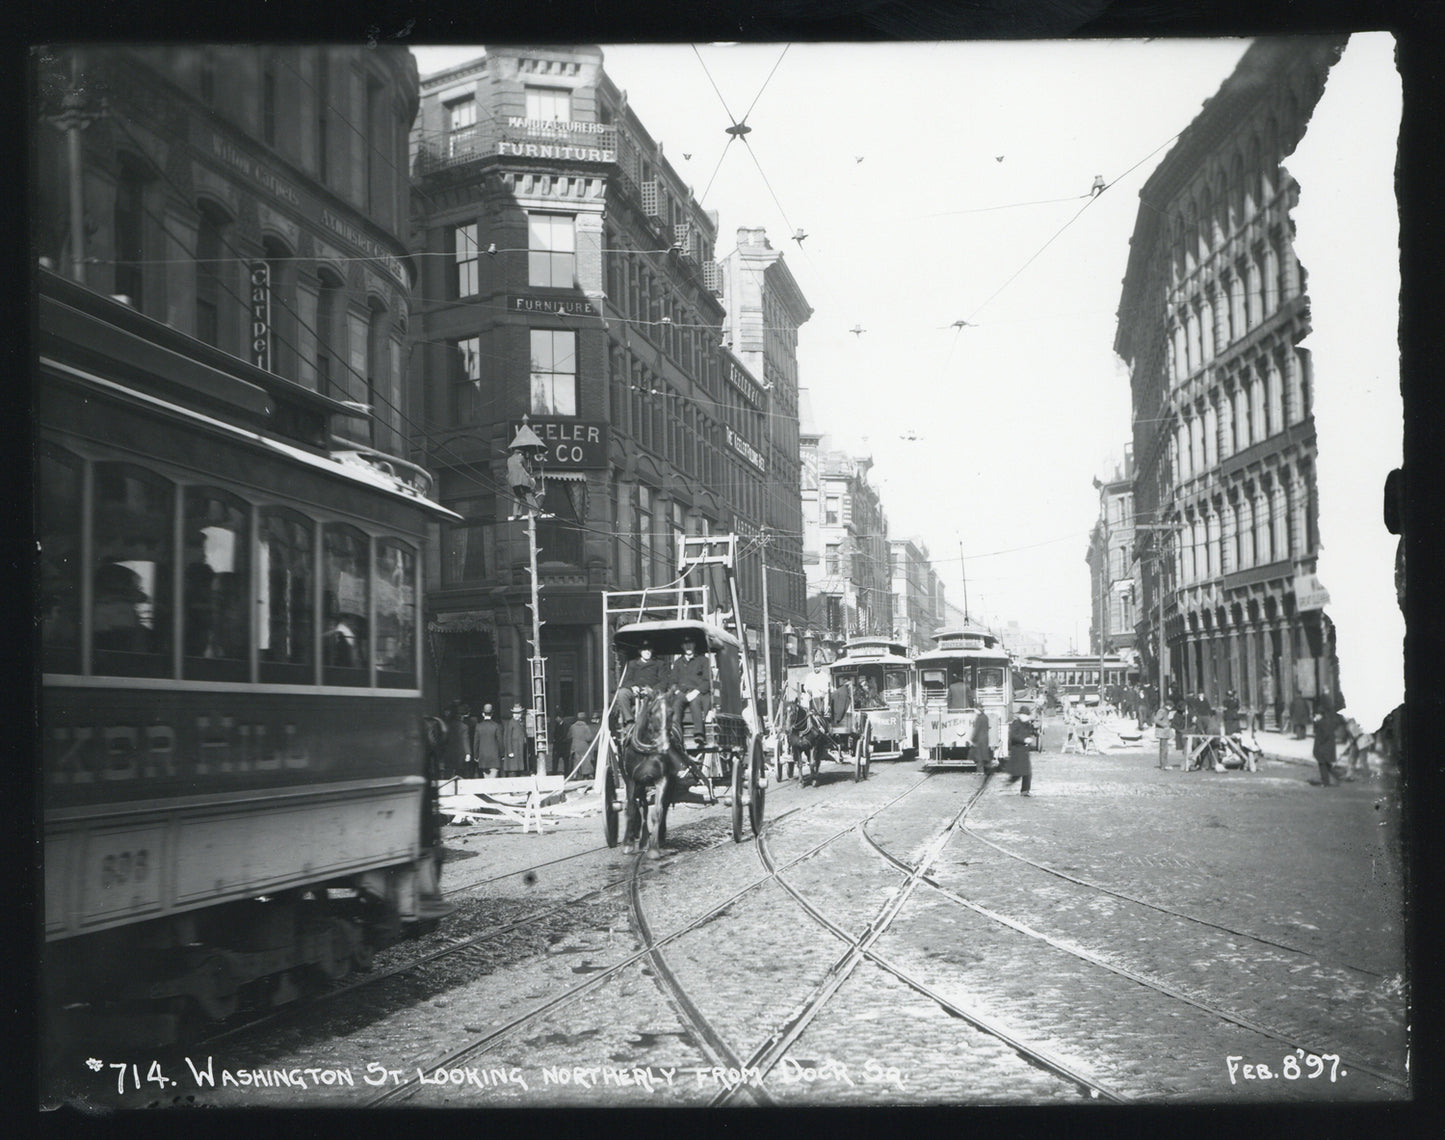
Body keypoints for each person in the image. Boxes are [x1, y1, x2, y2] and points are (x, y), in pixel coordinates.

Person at [617, 638, 670, 726]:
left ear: (652, 651)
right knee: (622, 693)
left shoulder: (659, 664)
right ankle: (629, 721)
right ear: (640, 651)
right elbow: (627, 680)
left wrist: (652, 690)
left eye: (649, 649)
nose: (647, 652)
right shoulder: (633, 664)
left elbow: (664, 681)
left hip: (652, 694)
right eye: (644, 650)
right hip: (636, 693)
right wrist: (633, 686)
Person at [669, 634, 712, 742]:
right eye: (685, 644)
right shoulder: (678, 663)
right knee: (676, 705)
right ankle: (676, 734)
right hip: (682, 693)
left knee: (695, 702)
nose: (688, 646)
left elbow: (707, 681)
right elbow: (673, 681)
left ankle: (699, 733)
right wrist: (678, 691)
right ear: (682, 646)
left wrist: (696, 692)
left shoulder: (703, 661)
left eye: (690, 643)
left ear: (694, 645)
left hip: (698, 693)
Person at [1004, 713, 1033, 796]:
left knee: (1027, 772)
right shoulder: (1016, 724)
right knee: (1019, 771)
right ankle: (1011, 781)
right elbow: (1013, 736)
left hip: (1024, 751)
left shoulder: (1027, 724)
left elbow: (1029, 733)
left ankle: (1025, 790)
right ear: (1021, 715)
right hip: (1017, 750)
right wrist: (1024, 740)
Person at [1312, 700, 1340, 787]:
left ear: (1320, 715)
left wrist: (1320, 744)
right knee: (1326, 764)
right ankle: (1336, 776)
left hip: (1323, 747)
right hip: (1327, 746)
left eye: (1317, 714)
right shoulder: (1326, 721)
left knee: (1322, 764)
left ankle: (1325, 782)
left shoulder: (1322, 723)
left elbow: (1323, 735)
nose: (1315, 716)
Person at [473, 703, 502, 777]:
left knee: (486, 781)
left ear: (483, 714)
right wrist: (502, 754)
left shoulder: (478, 726)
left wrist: (476, 756)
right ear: (492, 714)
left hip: (483, 758)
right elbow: (500, 742)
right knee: (493, 781)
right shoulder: (496, 726)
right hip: (494, 758)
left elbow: (476, 743)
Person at [500, 703, 529, 776]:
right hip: (514, 750)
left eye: (519, 713)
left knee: (519, 768)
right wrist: (510, 751)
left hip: (519, 750)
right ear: (512, 714)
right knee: (513, 769)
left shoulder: (520, 723)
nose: (517, 715)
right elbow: (507, 737)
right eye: (515, 713)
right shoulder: (510, 723)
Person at [567, 710, 597, 777]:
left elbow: (568, 736)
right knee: (585, 760)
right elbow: (589, 738)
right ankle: (585, 774)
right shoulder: (586, 727)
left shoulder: (572, 727)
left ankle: (575, 774)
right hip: (584, 746)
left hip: (575, 747)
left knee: (576, 761)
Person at [969, 708, 993, 772]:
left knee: (978, 755)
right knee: (984, 754)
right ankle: (986, 769)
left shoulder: (978, 718)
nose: (974, 711)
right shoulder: (985, 717)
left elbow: (976, 730)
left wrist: (972, 739)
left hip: (979, 739)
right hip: (985, 738)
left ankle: (980, 771)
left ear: (978, 710)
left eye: (975, 710)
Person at [1153, 701, 1173, 769]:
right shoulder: (1162, 711)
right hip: (1162, 733)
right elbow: (1156, 720)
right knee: (1163, 749)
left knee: (1165, 749)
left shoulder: (1165, 711)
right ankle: (1163, 765)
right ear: (1168, 706)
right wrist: (1165, 725)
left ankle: (1164, 764)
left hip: (1164, 733)